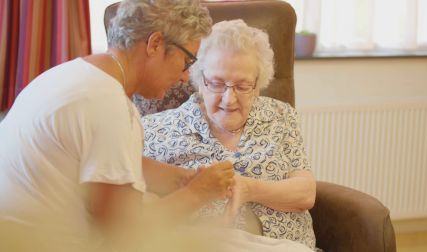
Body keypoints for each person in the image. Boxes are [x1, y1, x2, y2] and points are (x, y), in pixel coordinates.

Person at [0, 1, 235, 251]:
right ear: (155, 44)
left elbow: (106, 161)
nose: (185, 77)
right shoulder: (108, 104)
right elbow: (126, 235)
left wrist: (183, 179)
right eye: (187, 62)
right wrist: (197, 194)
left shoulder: (71, 76)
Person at [142, 19, 319, 251]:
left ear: (257, 86)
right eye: (216, 83)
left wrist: (249, 188)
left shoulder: (280, 115)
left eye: (243, 86)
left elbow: (306, 194)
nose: (229, 98)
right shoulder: (155, 130)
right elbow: (138, 212)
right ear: (199, 80)